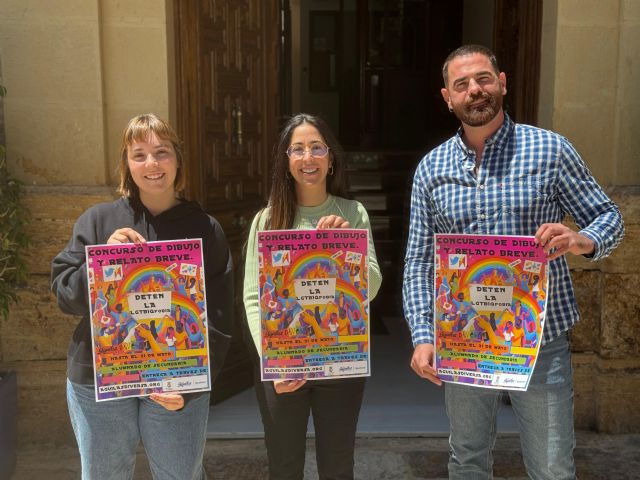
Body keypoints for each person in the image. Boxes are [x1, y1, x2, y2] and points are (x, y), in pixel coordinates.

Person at [402, 45, 624, 479]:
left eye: (483, 78)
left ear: (502, 83)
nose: (475, 90)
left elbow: (608, 216)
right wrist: (423, 335)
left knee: (552, 467)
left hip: (540, 341)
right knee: (467, 461)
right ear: (447, 97)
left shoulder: (549, 150)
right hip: (464, 339)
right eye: (462, 84)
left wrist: (581, 240)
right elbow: (419, 262)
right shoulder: (431, 169)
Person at [51, 113, 234, 480]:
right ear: (127, 164)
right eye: (139, 154)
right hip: (99, 380)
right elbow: (64, 293)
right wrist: (102, 262)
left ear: (178, 159)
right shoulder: (97, 221)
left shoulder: (205, 228)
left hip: (176, 380)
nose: (152, 163)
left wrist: (192, 385)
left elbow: (219, 314)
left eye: (162, 152)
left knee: (180, 475)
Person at [243, 113, 382, 479]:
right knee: (284, 466)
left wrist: (345, 246)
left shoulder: (352, 212)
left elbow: (370, 288)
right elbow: (254, 299)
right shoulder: (267, 220)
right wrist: (272, 362)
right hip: (283, 365)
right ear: (286, 161)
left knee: (338, 466)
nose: (308, 157)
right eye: (298, 149)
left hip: (339, 362)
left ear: (330, 158)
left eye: (317, 148)